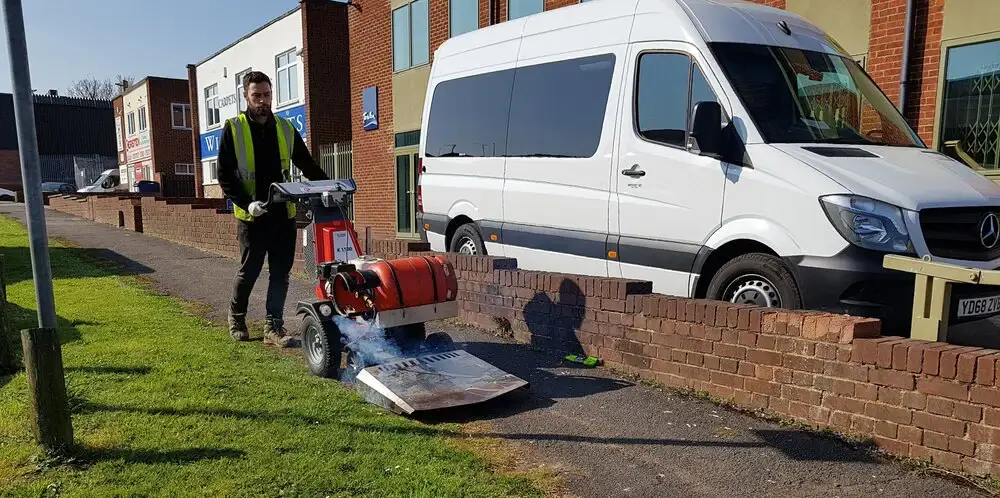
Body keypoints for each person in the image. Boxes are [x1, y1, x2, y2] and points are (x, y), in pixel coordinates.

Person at [217, 70, 329, 347]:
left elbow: (307, 164)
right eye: (256, 96)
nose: (263, 101)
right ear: (246, 96)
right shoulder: (234, 128)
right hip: (252, 216)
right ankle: (237, 316)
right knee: (250, 270)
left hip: (282, 215)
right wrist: (246, 202)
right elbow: (225, 175)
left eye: (267, 95)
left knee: (281, 272)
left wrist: (329, 186)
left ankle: (273, 326)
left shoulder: (286, 128)